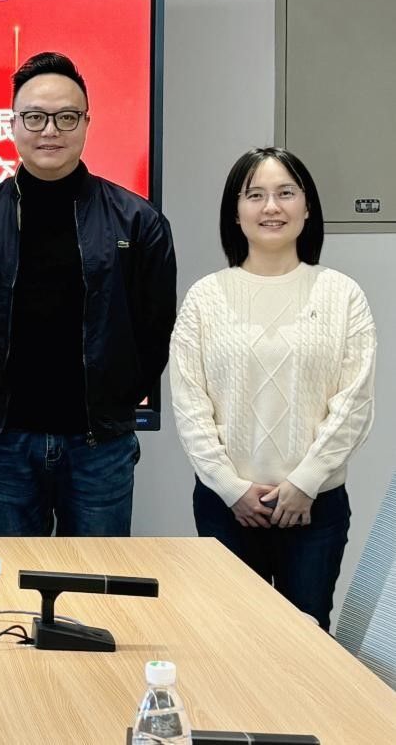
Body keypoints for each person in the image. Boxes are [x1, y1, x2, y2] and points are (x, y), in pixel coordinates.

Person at [0, 51, 176, 536]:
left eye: (66, 117)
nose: (50, 130)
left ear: (87, 123)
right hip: (6, 440)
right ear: (12, 124)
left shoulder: (137, 221)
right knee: (11, 576)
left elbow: (156, 328)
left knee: (95, 579)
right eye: (35, 117)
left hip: (100, 444)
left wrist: (118, 398)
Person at [171, 148, 375, 630]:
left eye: (286, 193)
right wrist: (231, 487)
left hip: (315, 506)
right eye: (255, 195)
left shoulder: (342, 293)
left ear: (307, 207)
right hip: (227, 506)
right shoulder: (206, 297)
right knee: (231, 639)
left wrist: (305, 483)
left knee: (306, 636)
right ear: (235, 212)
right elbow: (190, 403)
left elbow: (354, 403)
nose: (271, 207)